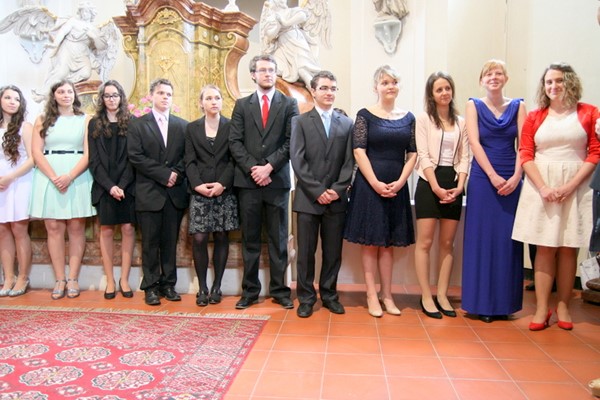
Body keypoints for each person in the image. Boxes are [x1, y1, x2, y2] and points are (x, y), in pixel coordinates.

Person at [512, 62, 600, 331]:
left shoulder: (589, 112)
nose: (553, 86)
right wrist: (544, 187)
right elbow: (525, 153)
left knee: (568, 247)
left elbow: (595, 152)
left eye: (559, 80)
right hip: (541, 185)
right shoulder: (535, 116)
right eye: (549, 82)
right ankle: (541, 308)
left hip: (576, 184)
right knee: (545, 247)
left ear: (569, 82)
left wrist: (571, 185)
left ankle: (563, 305)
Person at [343, 65, 416, 317]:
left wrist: (402, 181)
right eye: (385, 82)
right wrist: (374, 182)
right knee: (371, 242)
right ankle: (371, 294)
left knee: (388, 244)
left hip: (397, 186)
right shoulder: (365, 115)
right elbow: (359, 151)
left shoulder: (408, 117)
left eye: (394, 82)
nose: (390, 86)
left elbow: (413, 154)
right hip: (369, 186)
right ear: (376, 87)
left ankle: (387, 294)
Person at [229, 54, 299, 310]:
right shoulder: (242, 105)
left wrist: (269, 166)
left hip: (277, 181)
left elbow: (292, 140)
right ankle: (250, 291)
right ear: (253, 75)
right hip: (248, 183)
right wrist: (254, 169)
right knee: (250, 239)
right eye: (263, 70)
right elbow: (234, 141)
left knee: (279, 239)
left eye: (271, 70)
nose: (268, 74)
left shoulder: (289, 104)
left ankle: (280, 291)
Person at [461, 60, 527, 323]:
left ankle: (504, 304)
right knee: (482, 239)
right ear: (482, 80)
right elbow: (474, 143)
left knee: (507, 241)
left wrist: (517, 176)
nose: (493, 77)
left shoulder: (518, 106)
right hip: (482, 178)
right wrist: (492, 175)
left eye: (498, 73)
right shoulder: (473, 105)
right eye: (488, 74)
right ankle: (481, 304)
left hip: (512, 176)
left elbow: (524, 144)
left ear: (506, 78)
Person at [290, 70, 354, 318]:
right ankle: (306, 298)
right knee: (306, 253)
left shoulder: (346, 123)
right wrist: (318, 191)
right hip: (308, 199)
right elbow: (298, 160)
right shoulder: (300, 121)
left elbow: (349, 162)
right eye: (324, 88)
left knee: (332, 252)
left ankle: (329, 295)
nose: (329, 92)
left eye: (333, 88)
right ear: (313, 91)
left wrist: (336, 190)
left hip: (336, 200)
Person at [30, 80, 96, 299]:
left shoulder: (85, 119)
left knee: (76, 227)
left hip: (77, 174)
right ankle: (59, 279)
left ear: (74, 95)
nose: (66, 95)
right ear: (54, 95)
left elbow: (88, 153)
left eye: (69, 91)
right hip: (48, 175)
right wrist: (53, 177)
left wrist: (69, 176)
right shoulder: (42, 120)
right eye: (61, 91)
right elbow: (36, 152)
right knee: (53, 228)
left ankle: (73, 278)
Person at [127, 78, 189, 306]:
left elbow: (187, 156)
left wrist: (176, 174)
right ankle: (151, 286)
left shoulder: (182, 126)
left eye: (169, 94)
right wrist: (164, 174)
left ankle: (169, 284)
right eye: (161, 93)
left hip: (174, 194)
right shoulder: (138, 124)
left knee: (170, 242)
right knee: (150, 243)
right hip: (149, 193)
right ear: (152, 95)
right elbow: (136, 156)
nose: (165, 97)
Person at [414, 72, 469, 319]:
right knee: (425, 243)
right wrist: (436, 187)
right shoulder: (423, 119)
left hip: (454, 183)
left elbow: (465, 157)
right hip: (429, 182)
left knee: (448, 244)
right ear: (431, 94)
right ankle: (426, 296)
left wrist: (460, 186)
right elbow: (423, 155)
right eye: (439, 89)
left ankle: (443, 295)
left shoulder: (461, 122)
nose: (444, 93)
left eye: (447, 88)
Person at [184, 85, 239, 307]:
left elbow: (234, 159)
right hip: (200, 191)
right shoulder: (192, 128)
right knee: (199, 238)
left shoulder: (232, 126)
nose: (214, 101)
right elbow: (189, 160)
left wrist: (222, 184)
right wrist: (197, 185)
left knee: (222, 236)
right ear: (201, 103)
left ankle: (217, 287)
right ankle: (202, 288)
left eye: (217, 97)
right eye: (209, 98)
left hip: (224, 191)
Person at [88, 80, 136, 300]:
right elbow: (94, 161)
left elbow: (133, 158)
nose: (111, 99)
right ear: (102, 99)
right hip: (104, 186)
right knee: (106, 230)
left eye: (115, 95)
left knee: (127, 228)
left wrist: (122, 185)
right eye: (107, 96)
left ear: (121, 97)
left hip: (127, 185)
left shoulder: (132, 122)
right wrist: (110, 186)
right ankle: (110, 280)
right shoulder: (94, 124)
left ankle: (124, 279)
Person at [0, 85, 34, 297]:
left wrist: (10, 177)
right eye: (8, 98)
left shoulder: (25, 127)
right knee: (2, 231)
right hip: (0, 183)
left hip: (20, 181)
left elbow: (32, 158)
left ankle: (23, 276)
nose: (12, 102)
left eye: (16, 99)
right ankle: (9, 277)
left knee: (19, 230)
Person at [260, 0, 321, 88]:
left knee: (302, 68)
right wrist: (278, 26)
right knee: (276, 67)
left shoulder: (290, 11)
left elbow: (302, 16)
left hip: (295, 39)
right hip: (282, 44)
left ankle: (315, 91)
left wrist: (286, 23)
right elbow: (270, 36)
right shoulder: (271, 18)